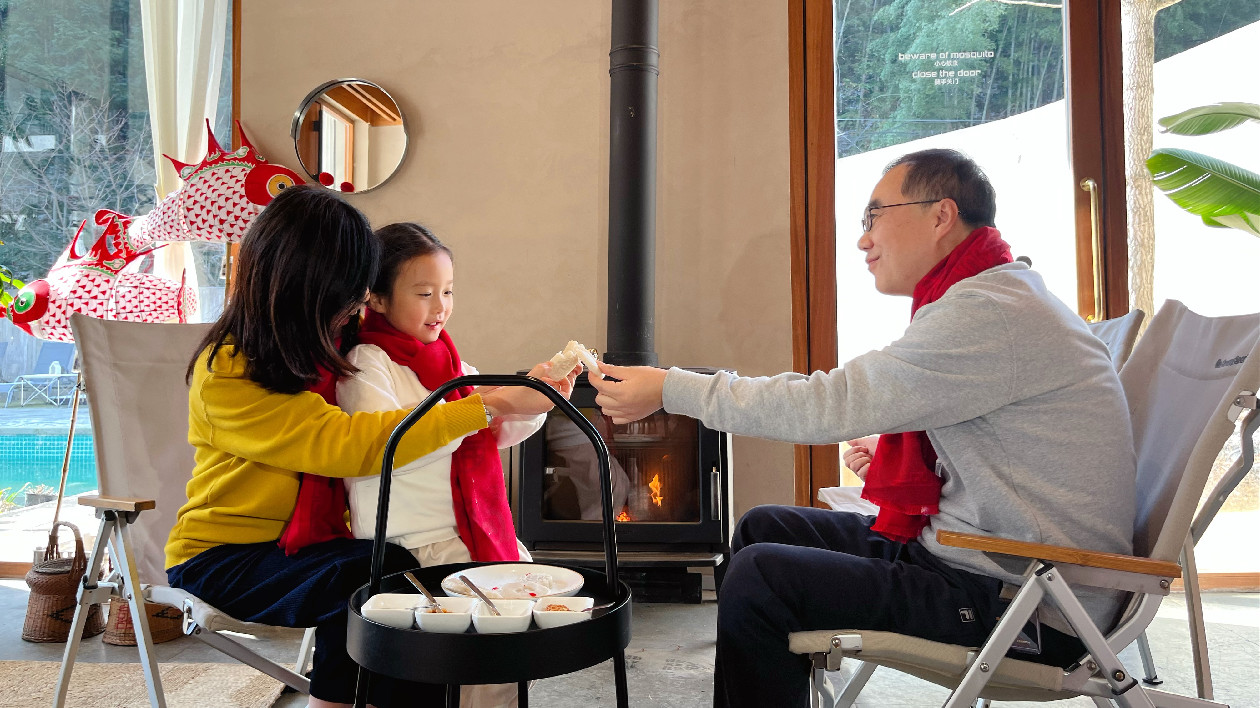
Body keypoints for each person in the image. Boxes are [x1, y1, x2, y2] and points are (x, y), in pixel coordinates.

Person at [589, 148, 1136, 707]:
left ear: (941, 215)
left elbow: (831, 403)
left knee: (761, 576)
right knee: (761, 528)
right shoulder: (990, 294)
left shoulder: (988, 311)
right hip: (983, 559)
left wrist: (672, 387)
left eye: (875, 216)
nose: (863, 239)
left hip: (1028, 604)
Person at [164, 186, 565, 708]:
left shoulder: (327, 343)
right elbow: (348, 444)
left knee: (399, 581)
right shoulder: (229, 371)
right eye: (348, 291)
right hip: (227, 556)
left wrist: (518, 397)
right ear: (303, 286)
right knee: (377, 583)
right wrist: (482, 406)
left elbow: (407, 360)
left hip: (312, 543)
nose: (357, 304)